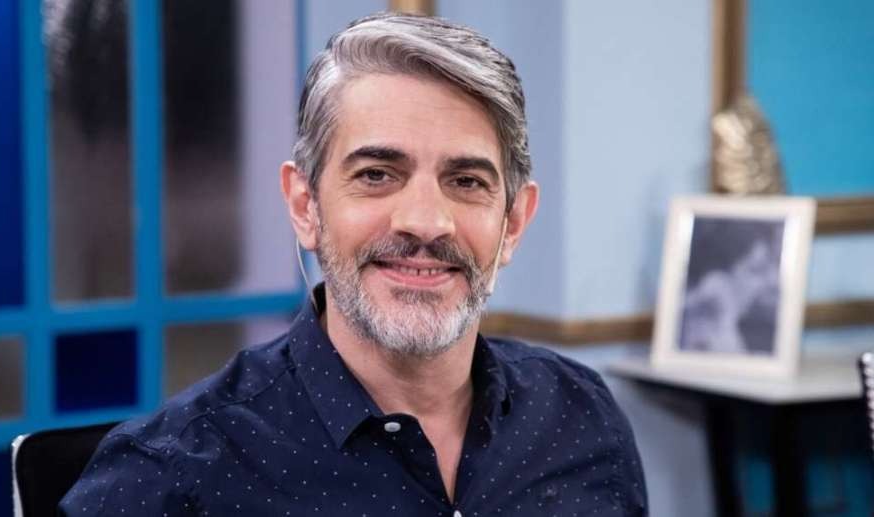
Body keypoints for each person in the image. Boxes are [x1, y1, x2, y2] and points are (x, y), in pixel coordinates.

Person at [61, 12, 647, 516]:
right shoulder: (172, 474)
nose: (425, 222)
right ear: (305, 206)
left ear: (512, 223)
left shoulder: (581, 418)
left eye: (466, 181)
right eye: (377, 174)